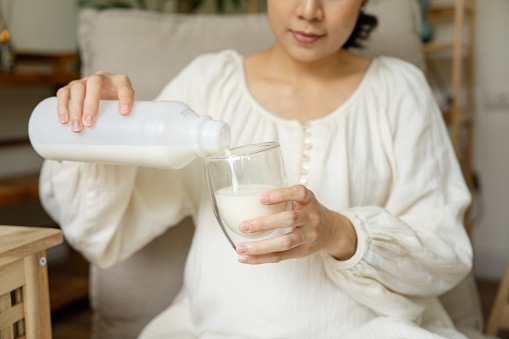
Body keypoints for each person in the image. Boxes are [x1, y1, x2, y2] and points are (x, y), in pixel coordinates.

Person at [39, 0, 486, 338]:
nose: (310, 11)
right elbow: (100, 235)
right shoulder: (208, 84)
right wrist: (100, 129)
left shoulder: (399, 91)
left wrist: (339, 232)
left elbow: (444, 252)